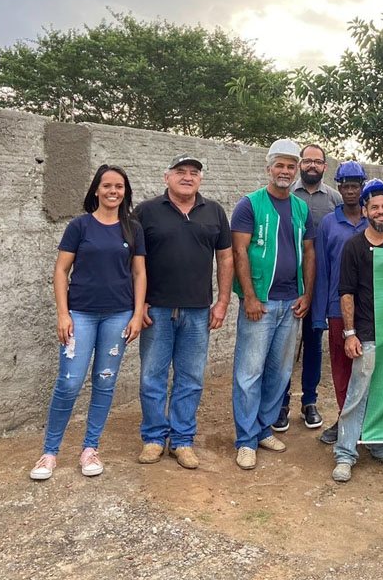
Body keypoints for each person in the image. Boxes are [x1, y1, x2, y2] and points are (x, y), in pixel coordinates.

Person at [30, 165, 146, 480]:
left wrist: (137, 314)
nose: (113, 191)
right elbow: (60, 271)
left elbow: (139, 273)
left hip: (118, 316)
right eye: (107, 185)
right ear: (96, 189)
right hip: (80, 314)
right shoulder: (80, 226)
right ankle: (49, 453)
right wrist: (63, 313)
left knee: (105, 381)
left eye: (119, 187)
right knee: (68, 383)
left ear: (125, 192)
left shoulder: (132, 229)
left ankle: (89, 449)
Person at [134, 155, 234, 470]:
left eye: (194, 173)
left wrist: (223, 302)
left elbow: (226, 259)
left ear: (200, 180)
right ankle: (152, 438)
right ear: (167, 178)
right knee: (153, 376)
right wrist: (139, 304)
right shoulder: (146, 212)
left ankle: (182, 441)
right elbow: (133, 262)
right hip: (157, 310)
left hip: (198, 310)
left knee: (190, 378)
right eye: (180, 172)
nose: (187, 177)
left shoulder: (214, 212)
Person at [230, 139, 316, 470]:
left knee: (278, 373)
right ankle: (245, 439)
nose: (285, 171)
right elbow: (239, 252)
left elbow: (308, 252)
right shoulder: (249, 205)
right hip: (261, 304)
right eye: (279, 165)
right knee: (248, 373)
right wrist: (249, 297)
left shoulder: (301, 208)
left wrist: (306, 294)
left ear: (296, 172)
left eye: (290, 166)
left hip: (291, 303)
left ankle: (263, 428)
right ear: (269, 169)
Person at [332, 179, 383, 482]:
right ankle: (345, 453)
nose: (381, 212)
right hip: (366, 333)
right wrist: (349, 333)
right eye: (374, 207)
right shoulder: (354, 246)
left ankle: (382, 448)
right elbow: (347, 292)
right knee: (358, 394)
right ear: (365, 210)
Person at [275, 144, 343, 432]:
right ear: (300, 164)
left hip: (321, 281)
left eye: (318, 162)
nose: (312, 166)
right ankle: (281, 403)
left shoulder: (335, 199)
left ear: (325, 167)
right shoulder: (286, 195)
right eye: (308, 161)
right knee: (285, 347)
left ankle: (310, 401)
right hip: (290, 281)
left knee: (314, 344)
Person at [312, 161, 369, 445]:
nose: (350, 191)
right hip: (337, 308)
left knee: (368, 368)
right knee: (341, 369)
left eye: (355, 186)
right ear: (339, 187)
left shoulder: (375, 221)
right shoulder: (328, 224)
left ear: (362, 187)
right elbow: (322, 270)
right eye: (345, 186)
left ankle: (366, 422)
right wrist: (319, 314)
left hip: (370, 309)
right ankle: (345, 420)